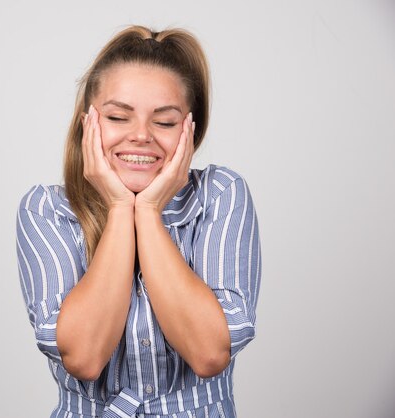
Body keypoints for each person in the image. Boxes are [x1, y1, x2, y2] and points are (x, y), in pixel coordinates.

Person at [16, 25, 261, 418]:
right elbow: (83, 357)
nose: (141, 136)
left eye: (164, 123)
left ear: (189, 132)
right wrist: (118, 208)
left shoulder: (220, 195)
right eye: (118, 117)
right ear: (88, 125)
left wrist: (146, 211)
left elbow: (209, 353)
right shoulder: (46, 210)